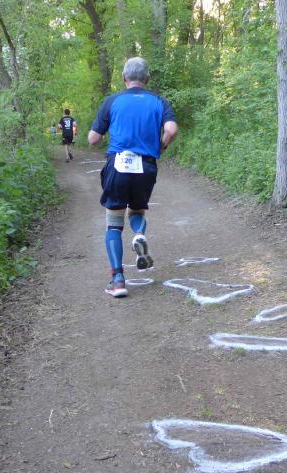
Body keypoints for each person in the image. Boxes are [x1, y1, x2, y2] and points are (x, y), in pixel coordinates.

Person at [88, 57, 179, 298]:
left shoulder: (112, 101)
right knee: (137, 210)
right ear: (147, 78)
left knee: (114, 221)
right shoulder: (159, 101)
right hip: (146, 165)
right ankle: (139, 234)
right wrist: (162, 145)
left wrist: (102, 134)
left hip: (118, 164)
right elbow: (171, 129)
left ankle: (118, 280)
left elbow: (93, 139)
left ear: (124, 77)